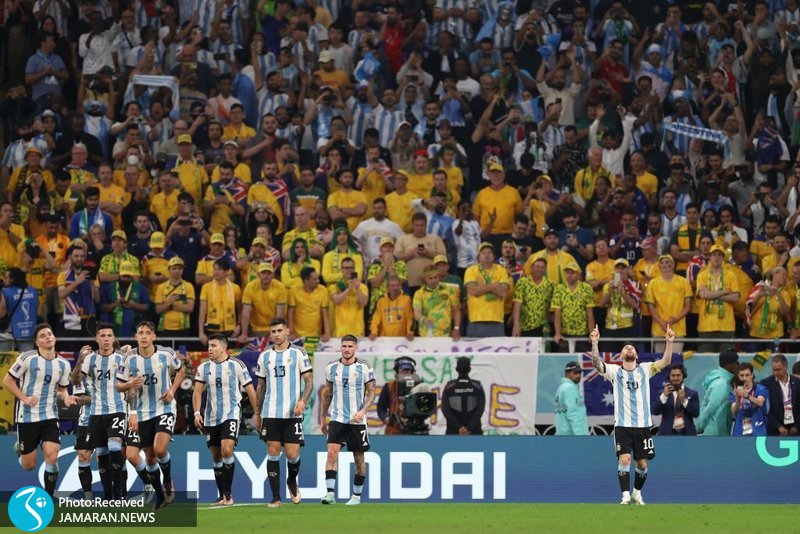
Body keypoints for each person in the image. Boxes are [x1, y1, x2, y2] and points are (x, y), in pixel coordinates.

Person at [589, 324, 675, 506]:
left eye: (632, 347)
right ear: (621, 355)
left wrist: (669, 342)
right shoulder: (615, 371)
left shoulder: (646, 369)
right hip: (622, 425)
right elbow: (597, 364)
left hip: (643, 425)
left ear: (636, 355)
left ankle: (637, 492)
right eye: (625, 347)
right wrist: (595, 343)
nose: (629, 348)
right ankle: (625, 495)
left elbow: (666, 361)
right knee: (625, 459)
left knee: (642, 464)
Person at [3, 324, 76, 496]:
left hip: (50, 415)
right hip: (27, 416)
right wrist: (24, 398)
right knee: (29, 465)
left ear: (54, 338)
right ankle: (19, 450)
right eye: (43, 336)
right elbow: (7, 381)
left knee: (52, 455)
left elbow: (62, 390)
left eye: (50, 334)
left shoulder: (63, 364)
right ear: (37, 343)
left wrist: (66, 397)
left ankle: (48, 497)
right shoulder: (27, 358)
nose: (48, 337)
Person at [120, 321, 185, 509]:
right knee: (146, 457)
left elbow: (181, 370)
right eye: (140, 332)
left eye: (148, 333)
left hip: (164, 408)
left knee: (159, 449)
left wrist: (172, 390)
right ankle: (159, 495)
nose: (144, 336)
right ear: (136, 336)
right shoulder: (129, 359)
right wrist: (132, 407)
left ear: (154, 336)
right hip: (140, 413)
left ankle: (168, 480)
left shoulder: (166, 354)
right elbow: (120, 385)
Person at [192, 333, 259, 506]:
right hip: (210, 417)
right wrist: (197, 413)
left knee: (227, 449)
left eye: (213, 346)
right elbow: (197, 392)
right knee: (216, 456)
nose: (209, 349)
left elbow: (250, 390)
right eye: (209, 345)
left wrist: (257, 413)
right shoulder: (204, 367)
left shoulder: (237, 365)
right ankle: (222, 494)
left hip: (231, 413)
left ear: (223, 348)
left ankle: (228, 495)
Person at [255, 318, 313, 507]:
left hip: (292, 413)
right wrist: (257, 413)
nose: (276, 334)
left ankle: (292, 481)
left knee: (292, 454)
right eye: (273, 332)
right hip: (270, 412)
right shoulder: (264, 356)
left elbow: (309, 381)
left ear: (288, 331)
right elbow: (261, 386)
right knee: (273, 451)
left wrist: (303, 401)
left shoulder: (298, 353)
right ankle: (276, 497)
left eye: (280, 330)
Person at [71, 322, 128, 499]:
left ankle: (120, 492)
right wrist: (80, 360)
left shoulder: (122, 359)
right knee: (100, 454)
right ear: (96, 338)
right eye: (102, 336)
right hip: (93, 415)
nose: (106, 339)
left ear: (113, 338)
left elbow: (131, 385)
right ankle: (107, 496)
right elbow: (75, 382)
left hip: (117, 409)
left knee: (115, 447)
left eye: (109, 335)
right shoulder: (89, 360)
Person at [320, 335, 376, 506]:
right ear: (340, 347)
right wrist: (323, 417)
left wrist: (363, 411)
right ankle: (330, 494)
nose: (346, 349)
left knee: (359, 458)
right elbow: (328, 393)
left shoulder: (364, 367)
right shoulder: (331, 367)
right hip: (337, 419)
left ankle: (356, 496)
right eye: (344, 346)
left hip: (356, 421)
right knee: (331, 454)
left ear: (355, 348)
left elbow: (371, 392)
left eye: (350, 346)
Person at [696, 349, 739, 436]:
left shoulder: (725, 380)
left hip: (720, 430)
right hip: (715, 432)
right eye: (735, 363)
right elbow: (710, 408)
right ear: (727, 364)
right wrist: (699, 426)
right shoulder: (721, 384)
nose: (737, 366)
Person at [441, 357, 486, 435]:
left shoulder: (449, 387)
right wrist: (469, 428)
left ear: (456, 369)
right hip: (474, 431)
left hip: (453, 432)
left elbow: (445, 410)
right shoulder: (477, 387)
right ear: (469, 369)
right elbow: (480, 410)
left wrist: (459, 428)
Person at [651, 363, 699, 436]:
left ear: (683, 376)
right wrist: (664, 396)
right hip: (666, 434)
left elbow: (696, 413)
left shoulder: (692, 393)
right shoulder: (662, 393)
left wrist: (684, 400)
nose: (676, 378)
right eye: (673, 375)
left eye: (678, 375)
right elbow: (655, 411)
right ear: (669, 376)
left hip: (687, 434)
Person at [376, 356, 418, 435]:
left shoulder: (419, 387)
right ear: (397, 372)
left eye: (408, 370)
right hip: (393, 430)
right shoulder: (389, 386)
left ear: (412, 372)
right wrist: (387, 419)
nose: (405, 373)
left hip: (415, 430)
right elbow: (381, 408)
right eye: (403, 370)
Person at [760, 354, 800, 436]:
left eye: (778, 370)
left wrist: (796, 426)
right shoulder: (766, 383)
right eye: (774, 370)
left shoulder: (797, 382)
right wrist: (778, 426)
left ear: (785, 366)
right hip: (776, 431)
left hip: (796, 430)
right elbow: (767, 409)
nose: (775, 373)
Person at [730, 362, 769, 437]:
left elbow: (760, 402)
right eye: (742, 375)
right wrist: (738, 399)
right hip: (740, 432)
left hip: (758, 430)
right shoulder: (734, 392)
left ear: (752, 375)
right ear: (738, 376)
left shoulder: (761, 389)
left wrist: (747, 396)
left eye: (747, 375)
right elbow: (734, 411)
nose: (744, 378)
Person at [554, 361, 589, 436]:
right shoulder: (570, 388)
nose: (578, 375)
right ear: (567, 373)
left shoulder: (562, 388)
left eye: (580, 372)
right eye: (575, 372)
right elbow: (573, 414)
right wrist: (580, 436)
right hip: (572, 436)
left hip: (564, 434)